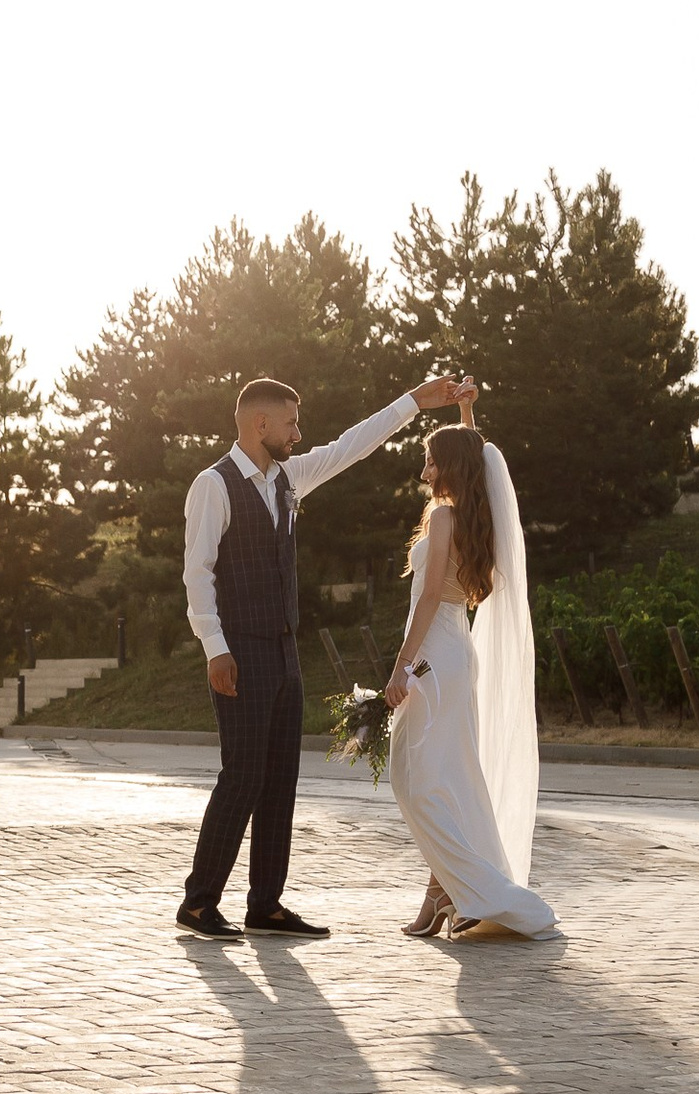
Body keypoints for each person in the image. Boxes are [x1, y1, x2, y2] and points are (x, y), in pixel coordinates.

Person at [178, 372, 477, 939]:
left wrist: (416, 401)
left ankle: (265, 904)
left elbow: (351, 445)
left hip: (286, 653)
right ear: (258, 423)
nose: (298, 432)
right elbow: (198, 575)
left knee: (280, 779)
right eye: (290, 422)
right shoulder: (212, 486)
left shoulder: (290, 478)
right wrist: (215, 649)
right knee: (241, 776)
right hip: (238, 650)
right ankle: (198, 903)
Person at [385, 404, 557, 939]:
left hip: (435, 656)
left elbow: (431, 594)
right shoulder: (475, 519)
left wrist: (401, 667)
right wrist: (465, 412)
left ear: (449, 467)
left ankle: (472, 889)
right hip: (457, 655)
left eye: (431, 463)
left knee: (415, 780)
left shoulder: (442, 518)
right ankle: (443, 890)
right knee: (448, 778)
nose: (423, 474)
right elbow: (473, 449)